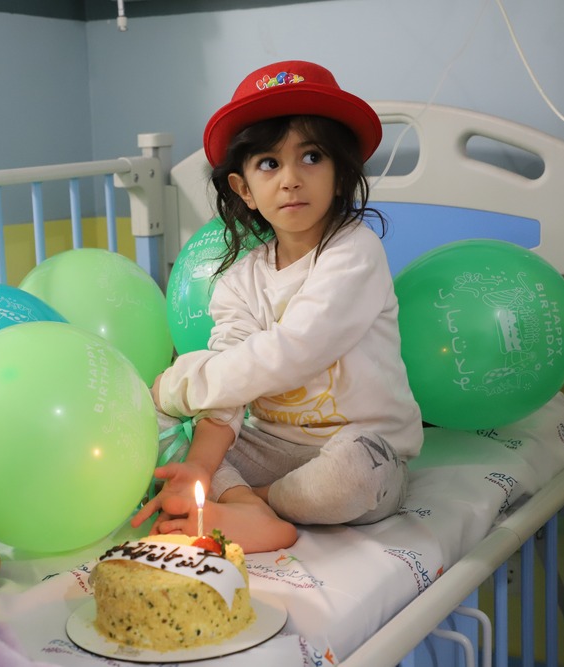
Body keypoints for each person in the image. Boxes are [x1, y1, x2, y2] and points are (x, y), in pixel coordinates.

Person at [132, 60, 423, 553]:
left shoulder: (354, 251)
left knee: (356, 472)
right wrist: (198, 468)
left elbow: (294, 350)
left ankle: (261, 502)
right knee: (154, 426)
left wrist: (182, 382)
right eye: (269, 163)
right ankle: (242, 505)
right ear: (244, 189)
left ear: (341, 174)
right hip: (268, 445)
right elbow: (229, 387)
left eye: (311, 157)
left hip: (360, 447)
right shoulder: (239, 281)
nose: (290, 179)